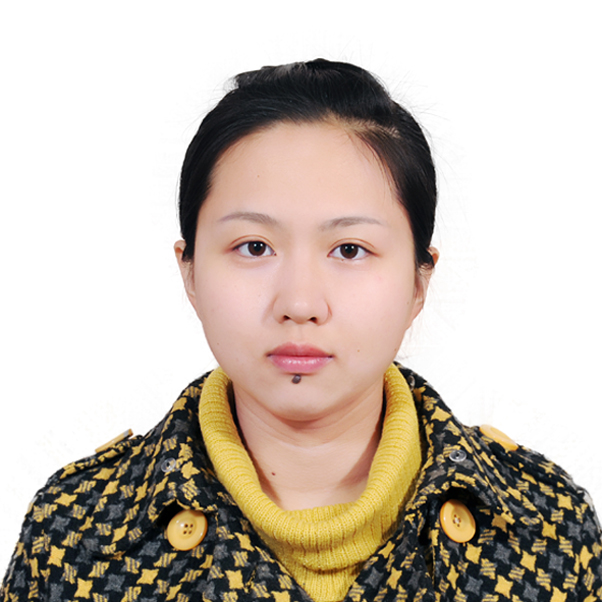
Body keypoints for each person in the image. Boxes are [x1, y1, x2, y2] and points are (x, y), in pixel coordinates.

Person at [2, 59, 601, 602]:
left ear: (420, 281)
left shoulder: (548, 527)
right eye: (254, 246)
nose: (299, 303)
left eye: (350, 249)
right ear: (190, 272)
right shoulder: (75, 532)